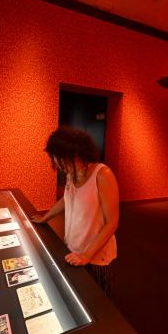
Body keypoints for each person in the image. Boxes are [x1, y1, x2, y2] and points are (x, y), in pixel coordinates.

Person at [31, 126, 119, 296]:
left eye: (62, 161)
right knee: (80, 295)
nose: (60, 167)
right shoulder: (73, 173)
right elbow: (67, 199)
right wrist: (45, 217)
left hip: (96, 255)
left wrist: (87, 255)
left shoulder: (103, 175)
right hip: (75, 248)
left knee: (98, 301)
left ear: (76, 154)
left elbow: (112, 222)